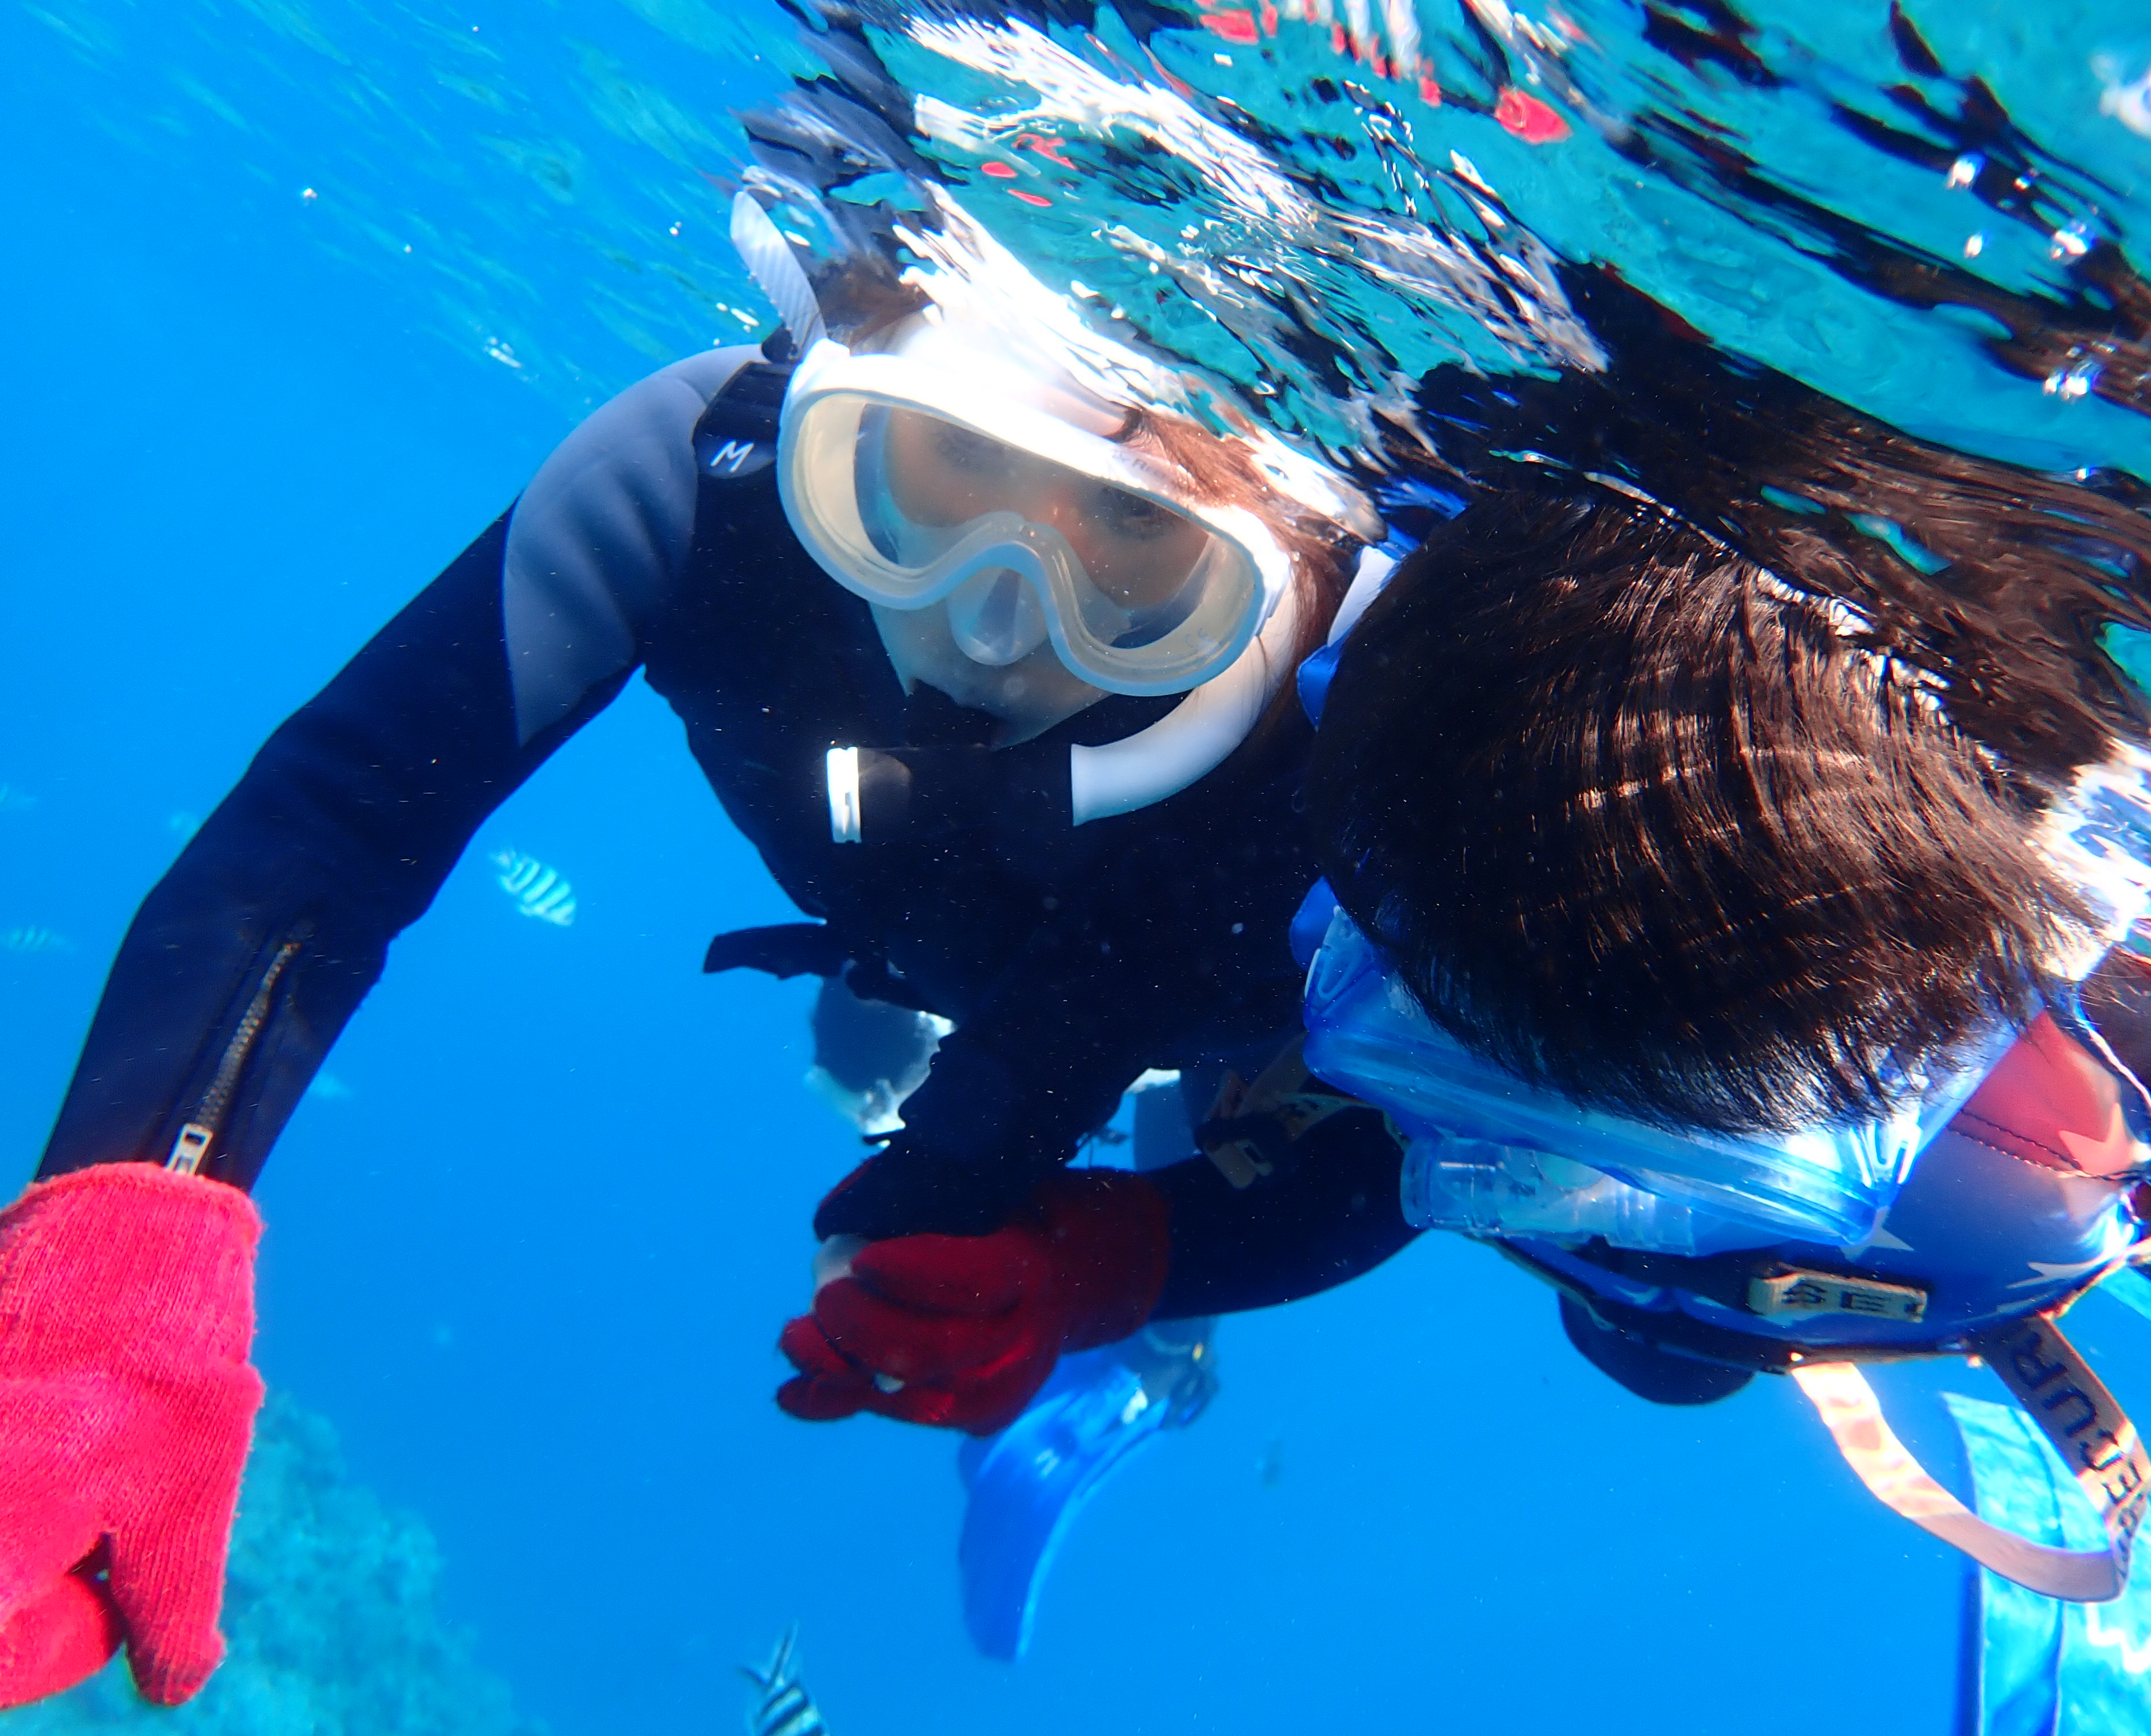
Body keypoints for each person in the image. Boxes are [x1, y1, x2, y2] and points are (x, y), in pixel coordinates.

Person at [0, 85, 1376, 1710]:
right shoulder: (702, 475)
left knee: (1286, 1067)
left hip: (1222, 987)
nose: (998, 623)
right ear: (837, 401)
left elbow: (1434, 1152)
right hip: (911, 934)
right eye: (940, 473)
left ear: (1291, 555)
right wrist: (122, 1256)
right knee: (888, 1047)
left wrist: (1120, 1265)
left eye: (1135, 538)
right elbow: (333, 829)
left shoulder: (1380, 720)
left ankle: (1158, 1362)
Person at [781, 483, 2151, 1595]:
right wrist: (998, 1219)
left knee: (1678, 1348)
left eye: (1635, 1138)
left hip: (1952, 1181)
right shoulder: (1368, 852)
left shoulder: (2099, 1048)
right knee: (1645, 1331)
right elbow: (1289, 1095)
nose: (1489, 1175)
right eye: (1445, 1057)